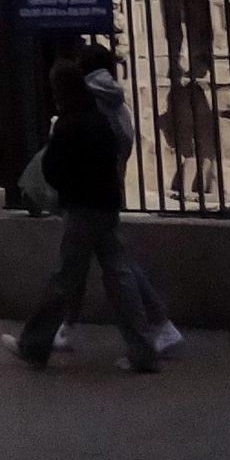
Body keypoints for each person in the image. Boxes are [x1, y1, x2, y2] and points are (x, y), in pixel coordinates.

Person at [7, 57, 163, 372]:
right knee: (120, 276)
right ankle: (143, 350)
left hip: (82, 209)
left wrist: (63, 192)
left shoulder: (68, 124)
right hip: (106, 203)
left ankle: (34, 345)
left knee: (64, 279)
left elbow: (53, 168)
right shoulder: (98, 119)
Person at [58, 45, 181, 359]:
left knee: (73, 269)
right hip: (108, 190)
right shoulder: (116, 102)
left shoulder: (89, 102)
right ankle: (160, 325)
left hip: (88, 193)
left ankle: (52, 332)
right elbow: (124, 142)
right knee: (115, 262)